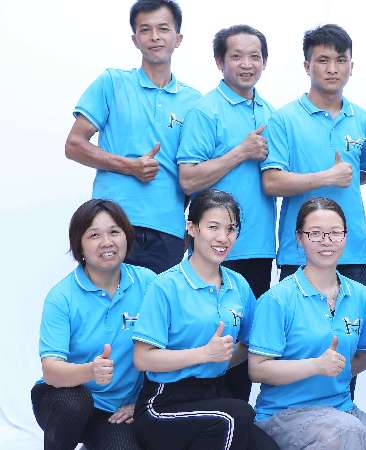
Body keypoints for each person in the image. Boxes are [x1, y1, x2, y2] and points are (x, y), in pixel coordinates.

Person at [131, 189, 278, 450]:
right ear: (192, 228)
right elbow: (143, 358)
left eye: (231, 229)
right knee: (236, 416)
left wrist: (220, 359)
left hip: (214, 395)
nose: (223, 238)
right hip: (164, 403)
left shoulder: (238, 285)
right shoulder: (166, 285)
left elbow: (250, 343)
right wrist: (203, 354)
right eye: (213, 227)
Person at [248, 198, 366, 450]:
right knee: (345, 432)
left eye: (334, 233)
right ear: (300, 238)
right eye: (315, 233)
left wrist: (339, 369)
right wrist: (316, 366)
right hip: (283, 414)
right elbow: (257, 369)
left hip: (341, 408)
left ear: (345, 237)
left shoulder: (360, 296)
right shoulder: (277, 299)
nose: (326, 241)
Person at [64, 0, 202, 274]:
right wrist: (130, 166)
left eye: (163, 29)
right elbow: (74, 145)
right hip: (112, 224)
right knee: (108, 300)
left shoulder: (195, 102)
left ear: (178, 39)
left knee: (160, 303)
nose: (155, 37)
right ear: (135, 39)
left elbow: (194, 171)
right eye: (145, 30)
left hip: (169, 230)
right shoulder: (112, 82)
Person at [177, 24, 275, 401]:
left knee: (246, 346)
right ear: (220, 62)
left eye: (254, 56)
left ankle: (235, 421)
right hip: (213, 248)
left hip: (258, 248)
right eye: (236, 56)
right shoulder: (205, 111)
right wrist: (241, 152)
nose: (246, 64)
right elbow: (188, 178)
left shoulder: (270, 112)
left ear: (264, 62)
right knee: (206, 338)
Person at [31, 199, 156, 450]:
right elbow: (51, 370)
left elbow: (166, 349)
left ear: (126, 236)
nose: (107, 242)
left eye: (114, 232)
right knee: (73, 404)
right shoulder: (62, 297)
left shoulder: (148, 283)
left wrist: (141, 404)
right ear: (79, 245)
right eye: (94, 235)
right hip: (64, 395)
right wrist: (90, 371)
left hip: (114, 410)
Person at [261, 24, 366, 285]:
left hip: (350, 251)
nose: (332, 69)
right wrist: (327, 177)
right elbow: (271, 182)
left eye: (341, 60)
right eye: (323, 60)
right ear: (307, 66)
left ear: (351, 67)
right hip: (299, 251)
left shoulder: (364, 121)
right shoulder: (284, 119)